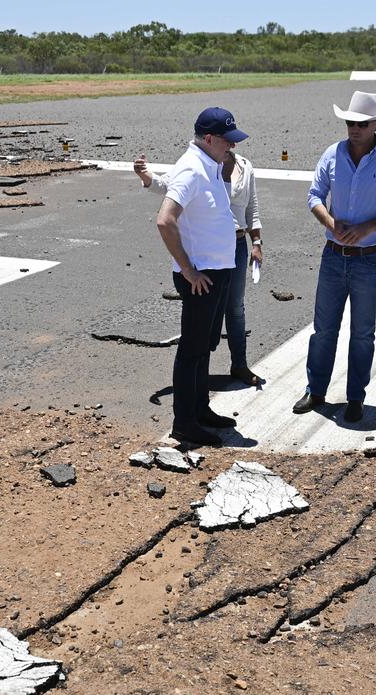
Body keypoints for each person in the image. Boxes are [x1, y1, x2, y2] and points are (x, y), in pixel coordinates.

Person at [292, 91, 376, 423]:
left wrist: (368, 228)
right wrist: (332, 223)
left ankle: (355, 397)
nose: (354, 128)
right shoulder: (332, 155)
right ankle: (315, 390)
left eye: (361, 123)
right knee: (323, 329)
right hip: (333, 255)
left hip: (370, 259)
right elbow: (314, 195)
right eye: (350, 122)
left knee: (363, 332)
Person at [155, 107, 249, 447]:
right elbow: (165, 220)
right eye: (227, 141)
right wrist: (188, 269)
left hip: (216, 272)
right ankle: (184, 423)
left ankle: (200, 409)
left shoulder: (210, 164)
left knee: (205, 346)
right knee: (192, 351)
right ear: (209, 139)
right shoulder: (191, 169)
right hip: (201, 277)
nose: (232, 148)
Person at [135, 149, 264, 387]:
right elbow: (166, 185)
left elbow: (252, 207)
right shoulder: (201, 165)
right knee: (208, 314)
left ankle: (239, 365)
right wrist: (146, 176)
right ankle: (199, 373)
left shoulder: (245, 166)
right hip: (210, 251)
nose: (229, 142)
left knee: (235, 308)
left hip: (237, 244)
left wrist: (256, 242)